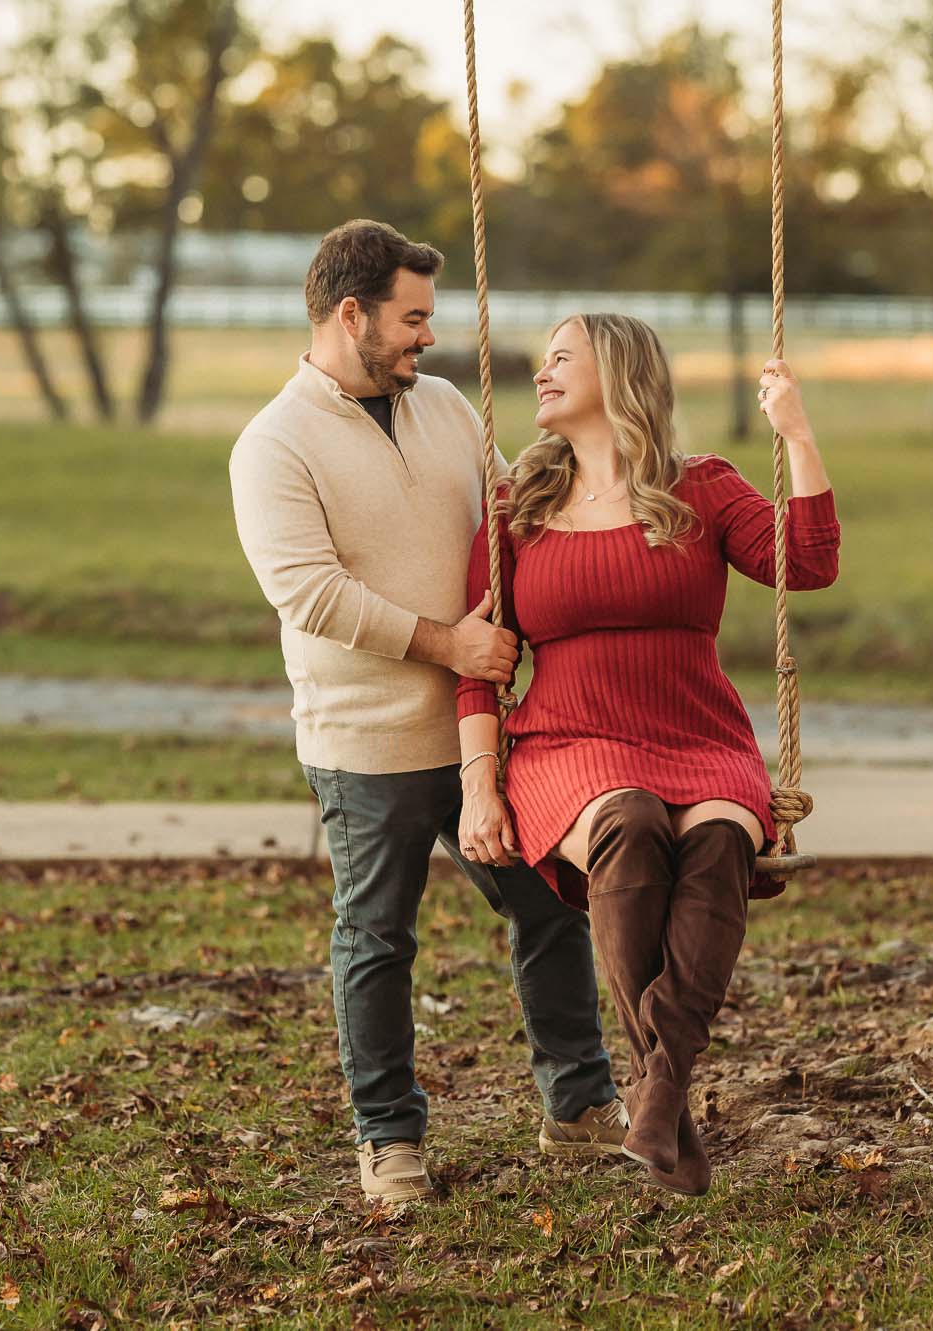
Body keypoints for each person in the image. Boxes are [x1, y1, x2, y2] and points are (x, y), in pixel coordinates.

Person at [228, 221, 625, 1206]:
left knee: (544, 905)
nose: (425, 337)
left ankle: (577, 1108)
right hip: (364, 742)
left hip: (478, 730)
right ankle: (390, 1139)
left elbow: (508, 513)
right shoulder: (272, 443)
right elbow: (307, 591)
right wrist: (446, 642)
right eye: (410, 319)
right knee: (377, 935)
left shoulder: (446, 403)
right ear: (350, 314)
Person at [455, 312, 840, 1195]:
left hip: (697, 732)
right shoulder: (520, 506)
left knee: (717, 842)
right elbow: (480, 667)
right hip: (569, 740)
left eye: (562, 358)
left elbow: (808, 564)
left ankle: (659, 1094)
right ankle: (667, 1095)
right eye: (542, 360)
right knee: (628, 820)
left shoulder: (701, 488)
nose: (541, 372)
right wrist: (482, 786)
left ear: (619, 373)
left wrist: (798, 433)